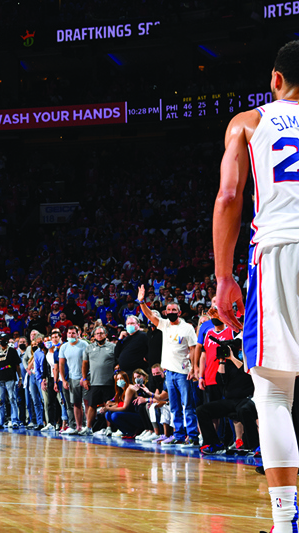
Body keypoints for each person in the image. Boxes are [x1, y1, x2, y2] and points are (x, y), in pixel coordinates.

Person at [213, 40, 299, 533]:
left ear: (275, 79)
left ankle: (286, 521)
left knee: (274, 395)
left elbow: (229, 196)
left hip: (279, 250)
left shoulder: (249, 123)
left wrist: (224, 277)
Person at [137, 286, 199, 447]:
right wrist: (142, 301)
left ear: (179, 312)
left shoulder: (187, 327)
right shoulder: (164, 325)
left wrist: (194, 368)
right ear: (165, 312)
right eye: (168, 309)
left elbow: (193, 349)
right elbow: (150, 315)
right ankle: (178, 434)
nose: (171, 311)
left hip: (184, 372)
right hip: (169, 373)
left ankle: (192, 436)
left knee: (188, 406)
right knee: (174, 407)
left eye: (174, 309)